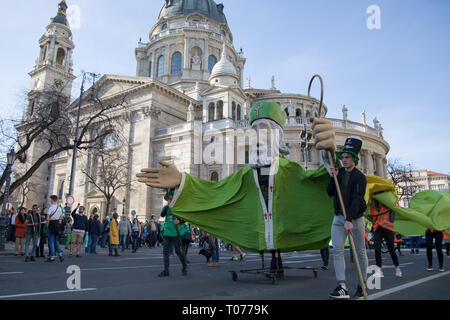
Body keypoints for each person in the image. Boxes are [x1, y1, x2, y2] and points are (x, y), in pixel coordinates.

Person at [136, 102, 336, 278]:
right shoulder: (244, 175)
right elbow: (215, 192)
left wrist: (330, 157)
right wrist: (181, 180)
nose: (258, 137)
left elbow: (316, 182)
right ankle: (274, 258)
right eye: (254, 130)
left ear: (278, 137)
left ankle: (278, 258)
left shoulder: (290, 169)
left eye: (265, 129)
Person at [327, 136, 368, 299]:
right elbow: (330, 193)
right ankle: (342, 286)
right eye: (342, 157)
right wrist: (332, 178)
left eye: (347, 157)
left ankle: (362, 283)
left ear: (354, 159)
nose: (344, 160)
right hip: (338, 218)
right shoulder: (339, 173)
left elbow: (358, 200)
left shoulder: (360, 177)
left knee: (360, 252)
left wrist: (349, 219)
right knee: (337, 250)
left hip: (355, 219)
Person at [369, 199, 402, 278]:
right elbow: (370, 217)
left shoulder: (388, 204)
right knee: (377, 248)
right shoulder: (373, 207)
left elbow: (397, 207)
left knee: (391, 249)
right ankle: (379, 270)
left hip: (388, 228)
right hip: (377, 229)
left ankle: (397, 267)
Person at [158, 190, 187, 277]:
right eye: (169, 197)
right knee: (165, 251)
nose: (170, 198)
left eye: (171, 196)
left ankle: (184, 266)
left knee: (178, 251)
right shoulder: (165, 207)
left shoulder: (178, 207)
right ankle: (166, 270)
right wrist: (167, 206)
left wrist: (179, 221)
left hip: (175, 233)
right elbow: (162, 215)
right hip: (167, 232)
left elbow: (185, 219)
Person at [46, 195, 64, 262]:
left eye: (51, 200)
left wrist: (47, 226)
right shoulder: (59, 208)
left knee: (51, 241)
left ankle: (52, 256)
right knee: (56, 241)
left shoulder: (50, 208)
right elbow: (61, 217)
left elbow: (48, 217)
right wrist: (59, 224)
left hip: (51, 224)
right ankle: (60, 254)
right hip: (57, 224)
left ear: (52, 200)